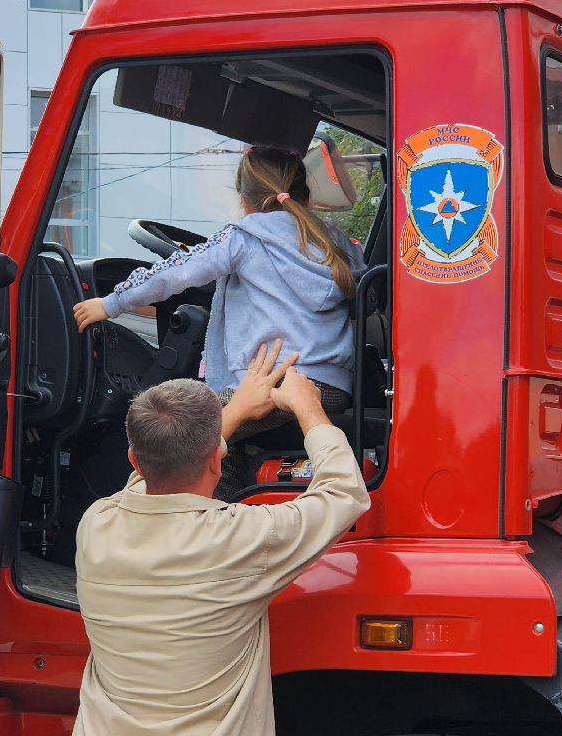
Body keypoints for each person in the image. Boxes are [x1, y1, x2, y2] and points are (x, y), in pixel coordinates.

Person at [53, 344, 370, 736]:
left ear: (131, 458)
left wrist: (236, 409)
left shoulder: (96, 526)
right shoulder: (240, 539)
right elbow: (343, 493)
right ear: (218, 462)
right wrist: (309, 410)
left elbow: (152, 480)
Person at [73, 145, 365, 494]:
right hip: (332, 388)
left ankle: (195, 521)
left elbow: (176, 272)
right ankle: (233, 509)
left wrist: (110, 304)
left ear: (244, 199)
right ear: (304, 192)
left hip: (273, 382)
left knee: (175, 438)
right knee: (229, 442)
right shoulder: (335, 240)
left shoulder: (243, 237)